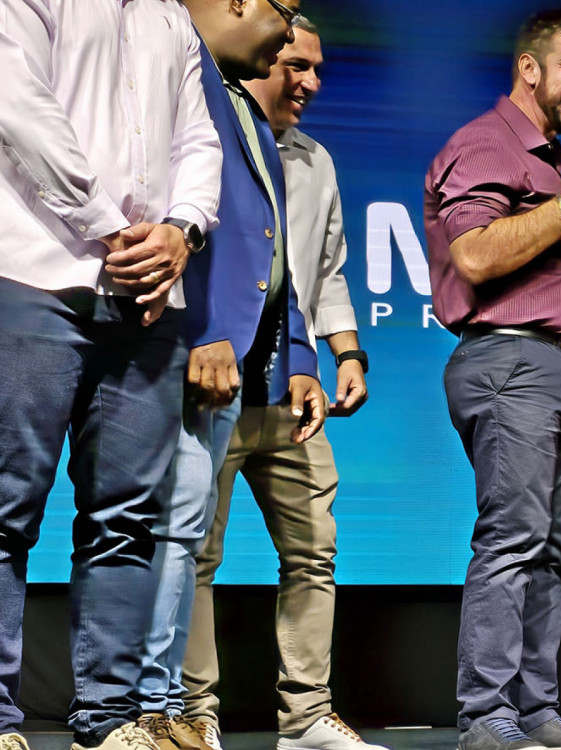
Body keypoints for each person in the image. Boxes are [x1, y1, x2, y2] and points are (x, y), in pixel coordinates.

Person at [0, 1, 222, 749]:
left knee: (126, 521)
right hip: (35, 274)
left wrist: (182, 227)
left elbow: (199, 136)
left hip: (147, 294)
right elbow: (16, 101)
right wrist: (109, 222)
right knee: (6, 509)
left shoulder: (172, 16)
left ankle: (109, 720)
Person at [179, 20, 382, 750]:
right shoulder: (199, 134)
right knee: (194, 553)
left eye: (318, 69)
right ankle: (193, 713)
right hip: (212, 381)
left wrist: (345, 353)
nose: (311, 81)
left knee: (315, 550)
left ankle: (306, 717)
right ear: (262, 56)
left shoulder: (315, 160)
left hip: (291, 385)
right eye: (296, 63)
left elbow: (322, 272)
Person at [424, 10, 561, 750]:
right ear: (530, 69)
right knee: (512, 541)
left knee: (547, 549)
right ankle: (487, 717)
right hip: (508, 363)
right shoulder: (486, 142)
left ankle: (535, 709)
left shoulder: (548, 163)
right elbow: (474, 256)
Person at [134, 2, 325, 750]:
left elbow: (271, 255)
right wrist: (203, 327)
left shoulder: (241, 104)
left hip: (250, 361)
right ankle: (151, 709)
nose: (288, 42)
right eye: (283, 17)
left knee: (181, 535)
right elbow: (177, 217)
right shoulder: (181, 79)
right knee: (162, 533)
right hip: (192, 348)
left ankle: (167, 712)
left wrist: (300, 355)